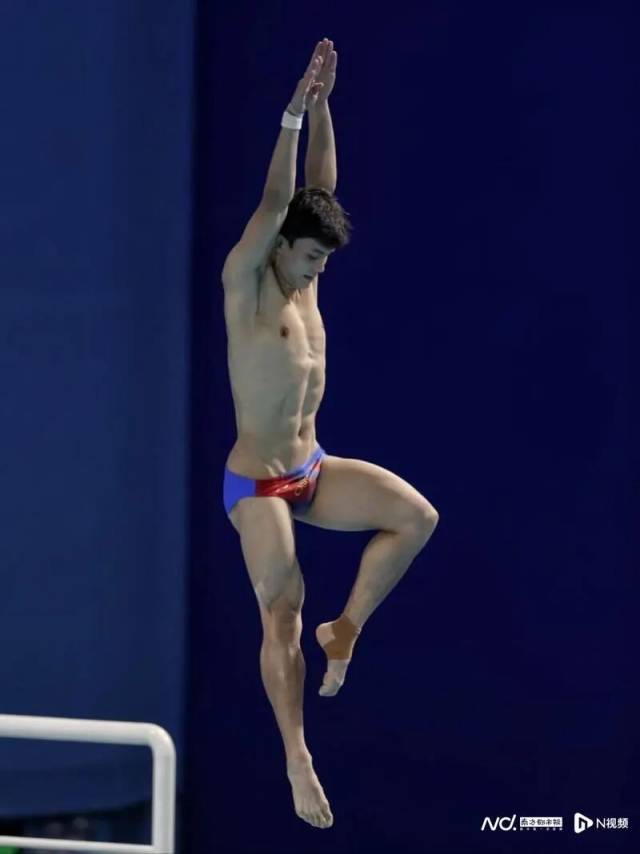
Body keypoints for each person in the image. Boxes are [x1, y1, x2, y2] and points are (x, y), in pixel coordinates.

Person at [221, 38, 439, 830]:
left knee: (415, 517)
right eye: (309, 257)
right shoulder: (248, 282)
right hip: (257, 484)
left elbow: (319, 191)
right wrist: (288, 114)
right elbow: (280, 199)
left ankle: (344, 631)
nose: (318, 270)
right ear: (279, 244)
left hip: (311, 467)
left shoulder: (307, 276)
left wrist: (322, 108)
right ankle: (296, 757)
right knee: (282, 608)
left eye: (323, 261)